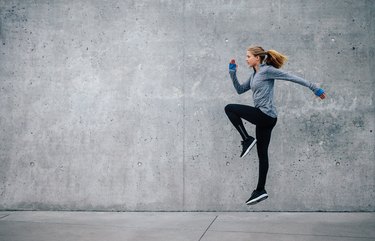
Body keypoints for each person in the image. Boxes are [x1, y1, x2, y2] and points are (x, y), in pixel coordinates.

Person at [225, 46, 326, 205]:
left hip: (265, 116)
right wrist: (232, 72)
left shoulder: (267, 71)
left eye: (248, 56)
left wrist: (315, 88)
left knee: (229, 108)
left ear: (257, 58)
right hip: (266, 118)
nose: (246, 59)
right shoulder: (254, 75)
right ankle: (260, 190)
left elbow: (291, 77)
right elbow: (239, 90)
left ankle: (247, 140)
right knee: (262, 154)